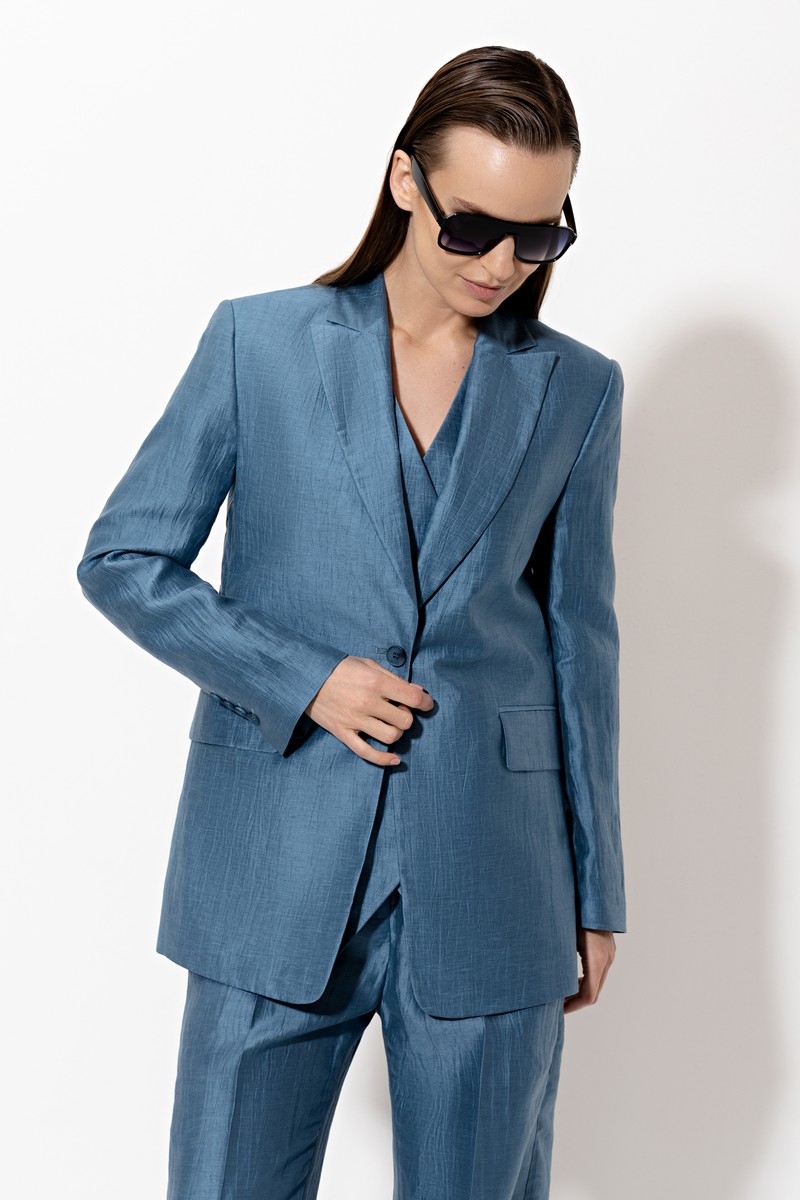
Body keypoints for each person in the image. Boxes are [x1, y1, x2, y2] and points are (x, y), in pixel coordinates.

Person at [77, 43, 626, 1200]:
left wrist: (593, 890)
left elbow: (578, 641)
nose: (501, 265)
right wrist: (304, 679)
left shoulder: (575, 388)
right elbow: (124, 559)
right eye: (473, 229)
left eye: (538, 237)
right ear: (404, 181)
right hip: (272, 866)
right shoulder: (258, 344)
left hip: (496, 877)